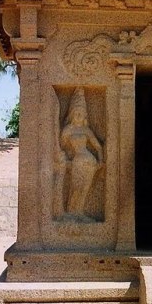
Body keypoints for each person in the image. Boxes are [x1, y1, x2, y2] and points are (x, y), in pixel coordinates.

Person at [56, 87, 103, 219]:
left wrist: (100, 160)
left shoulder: (86, 130)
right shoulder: (68, 130)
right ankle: (71, 213)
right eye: (76, 113)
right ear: (72, 113)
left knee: (85, 189)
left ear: (84, 115)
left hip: (91, 162)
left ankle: (80, 213)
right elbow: (61, 147)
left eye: (81, 113)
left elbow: (98, 147)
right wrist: (64, 160)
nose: (79, 116)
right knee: (76, 188)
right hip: (77, 162)